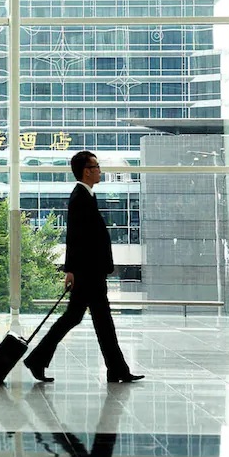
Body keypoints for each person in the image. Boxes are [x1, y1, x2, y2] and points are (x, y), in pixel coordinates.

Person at [23, 150, 144, 384]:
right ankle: (40, 359)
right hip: (87, 273)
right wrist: (71, 270)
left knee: (92, 319)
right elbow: (75, 237)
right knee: (91, 319)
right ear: (87, 171)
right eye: (96, 166)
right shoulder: (80, 197)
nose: (100, 170)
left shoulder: (86, 195)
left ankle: (115, 368)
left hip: (90, 271)